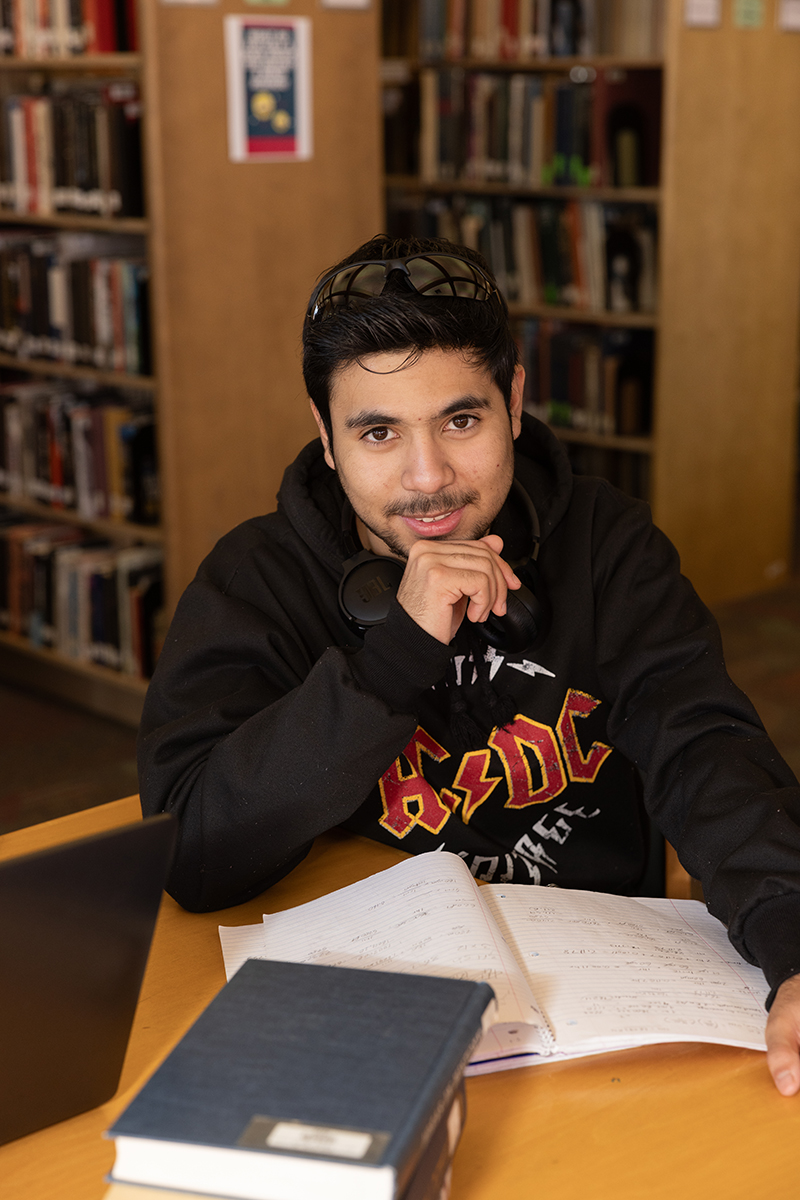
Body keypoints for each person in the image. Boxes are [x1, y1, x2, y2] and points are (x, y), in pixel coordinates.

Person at [138, 234, 800, 1095]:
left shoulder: (608, 545)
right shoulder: (255, 581)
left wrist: (791, 939)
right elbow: (191, 854)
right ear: (326, 438)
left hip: (607, 1007)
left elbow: (706, 750)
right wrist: (396, 658)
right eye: (379, 431)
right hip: (375, 1012)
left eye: (460, 420)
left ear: (514, 401)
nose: (429, 478)